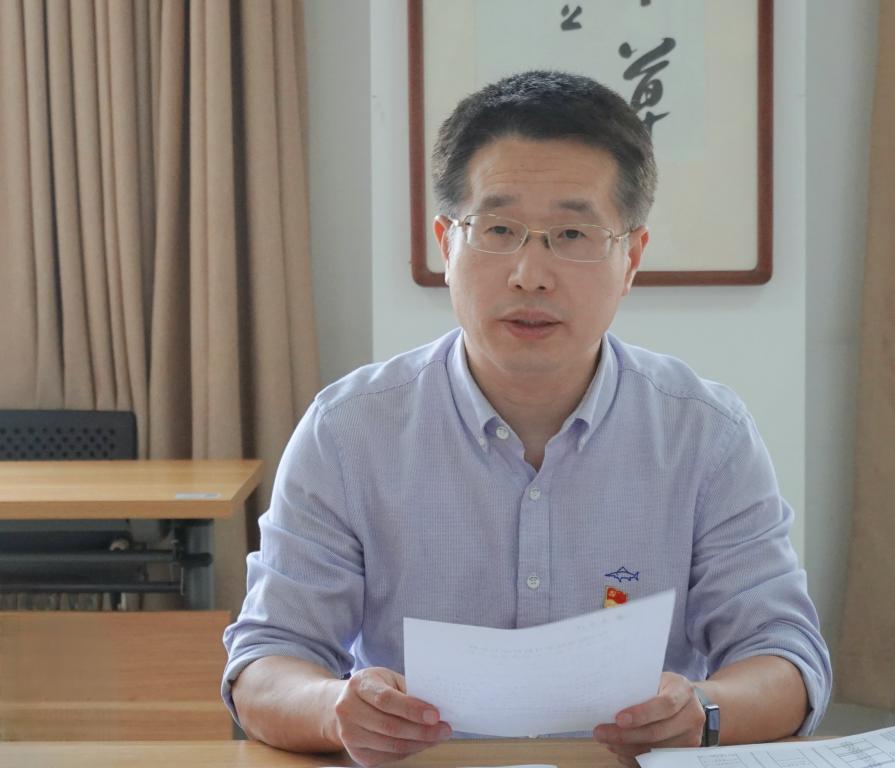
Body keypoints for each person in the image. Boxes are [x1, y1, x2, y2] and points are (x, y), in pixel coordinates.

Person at [223, 70, 831, 767]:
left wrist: (703, 713)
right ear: (446, 245)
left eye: (572, 233)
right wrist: (336, 711)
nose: (529, 274)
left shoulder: (706, 434)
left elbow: (786, 659)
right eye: (499, 230)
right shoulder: (348, 432)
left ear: (630, 258)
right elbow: (266, 663)